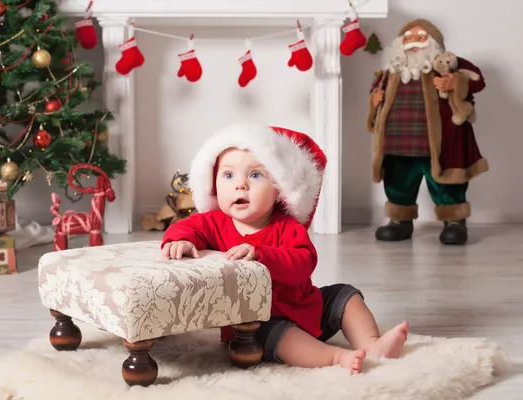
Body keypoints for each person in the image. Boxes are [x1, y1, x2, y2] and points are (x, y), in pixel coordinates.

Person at [161, 123, 409, 374]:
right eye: (228, 175)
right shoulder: (213, 223)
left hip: (306, 306)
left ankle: (372, 344)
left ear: (280, 188)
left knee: (346, 295)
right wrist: (181, 241)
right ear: (213, 185)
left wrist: (261, 254)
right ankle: (336, 357)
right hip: (257, 322)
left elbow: (304, 261)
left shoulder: (286, 226)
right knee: (279, 334)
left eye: (255, 175)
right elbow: (186, 228)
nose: (241, 185)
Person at [366, 18, 488, 245]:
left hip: (438, 143)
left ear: (433, 42)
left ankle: (454, 221)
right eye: (408, 38)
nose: (414, 43)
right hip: (397, 143)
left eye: (420, 37)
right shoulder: (391, 70)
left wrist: (455, 82)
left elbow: (477, 79)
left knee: (445, 182)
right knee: (397, 181)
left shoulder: (446, 64)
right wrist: (374, 101)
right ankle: (400, 221)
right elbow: (376, 93)